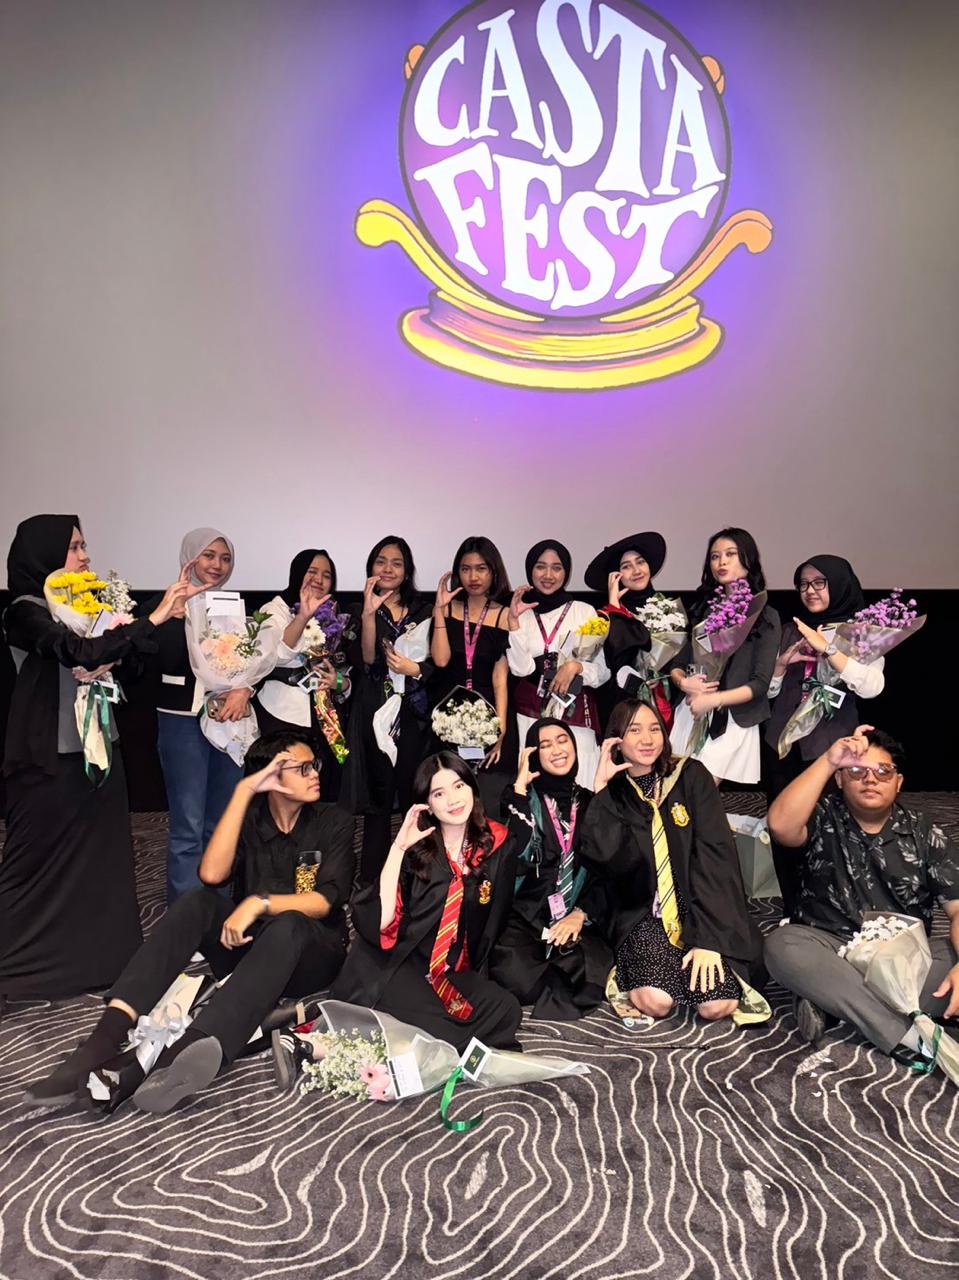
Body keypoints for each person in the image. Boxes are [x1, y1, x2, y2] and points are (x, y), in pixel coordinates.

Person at [22, 730, 355, 1111]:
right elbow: (211, 874)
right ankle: (102, 1040)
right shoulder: (249, 820)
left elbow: (325, 901)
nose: (315, 774)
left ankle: (181, 1053)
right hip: (250, 952)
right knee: (197, 903)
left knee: (289, 923)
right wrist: (243, 792)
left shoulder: (334, 821)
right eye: (303, 768)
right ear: (271, 777)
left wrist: (260, 903)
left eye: (315, 765)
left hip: (311, 955)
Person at [1, 515, 195, 999]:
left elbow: (122, 661)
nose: (85, 556)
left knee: (101, 861)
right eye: (75, 547)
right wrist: (147, 620)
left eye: (84, 545)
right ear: (45, 553)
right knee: (30, 866)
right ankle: (15, 968)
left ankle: (97, 963)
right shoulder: (25, 611)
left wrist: (117, 650)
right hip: (47, 761)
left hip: (98, 753)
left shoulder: (83, 605)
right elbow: (74, 651)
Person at [764, 725, 959, 1070]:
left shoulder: (925, 831)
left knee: (951, 956)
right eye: (856, 771)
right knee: (782, 945)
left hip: (902, 961)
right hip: (830, 948)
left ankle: (831, 1002)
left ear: (898, 782)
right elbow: (780, 826)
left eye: (883, 771)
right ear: (840, 779)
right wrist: (829, 760)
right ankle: (901, 1032)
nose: (870, 779)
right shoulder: (823, 814)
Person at [580, 699, 766, 1023]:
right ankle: (645, 968)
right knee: (656, 1002)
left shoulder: (691, 776)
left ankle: (695, 957)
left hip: (699, 906)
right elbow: (607, 862)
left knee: (717, 1005)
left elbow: (715, 856)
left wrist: (709, 940)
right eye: (634, 730)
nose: (647, 739)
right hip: (643, 913)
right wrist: (601, 792)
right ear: (617, 741)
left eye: (655, 729)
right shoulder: (615, 793)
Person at [332, 751, 522, 1052]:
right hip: (403, 963)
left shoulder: (497, 844)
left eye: (459, 786)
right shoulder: (416, 850)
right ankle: (401, 1037)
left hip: (452, 971)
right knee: (445, 1034)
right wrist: (397, 848)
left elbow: (496, 919)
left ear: (472, 788)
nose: (453, 800)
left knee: (506, 1008)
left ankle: (403, 1036)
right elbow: (381, 921)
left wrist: (480, 975)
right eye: (439, 793)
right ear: (427, 805)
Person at [763, 555, 885, 913]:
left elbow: (871, 687)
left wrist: (829, 649)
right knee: (784, 828)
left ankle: (834, 911)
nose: (810, 590)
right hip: (783, 746)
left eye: (819, 582)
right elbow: (768, 693)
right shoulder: (791, 629)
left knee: (832, 833)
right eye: (803, 584)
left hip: (832, 749)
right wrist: (779, 668)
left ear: (840, 584)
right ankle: (793, 909)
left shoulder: (861, 634)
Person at [148, 527, 251, 903]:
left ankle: (217, 910)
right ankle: (184, 919)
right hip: (182, 720)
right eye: (208, 556)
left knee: (222, 823)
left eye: (225, 558)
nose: (217, 565)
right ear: (190, 557)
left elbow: (248, 663)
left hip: (228, 722)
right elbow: (157, 659)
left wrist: (244, 687)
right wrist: (176, 616)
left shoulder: (233, 608)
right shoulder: (166, 604)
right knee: (188, 826)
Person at [490, 719, 609, 1020]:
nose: (557, 750)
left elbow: (607, 868)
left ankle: (556, 963)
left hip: (574, 914)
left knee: (593, 968)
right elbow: (513, 856)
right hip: (527, 915)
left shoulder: (590, 802)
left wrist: (580, 914)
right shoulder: (521, 799)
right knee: (511, 974)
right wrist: (519, 788)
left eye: (562, 740)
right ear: (533, 755)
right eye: (545, 745)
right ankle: (548, 967)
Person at [342, 536, 434, 882]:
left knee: (415, 797)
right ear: (371, 567)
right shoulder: (358, 609)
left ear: (407, 571)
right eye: (381, 561)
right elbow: (367, 659)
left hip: (413, 712)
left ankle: (418, 882)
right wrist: (369, 614)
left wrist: (415, 669)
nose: (388, 569)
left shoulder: (425, 610)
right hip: (374, 710)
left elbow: (438, 662)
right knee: (378, 801)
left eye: (397, 563)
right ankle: (371, 884)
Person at [669, 528, 781, 785]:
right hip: (692, 711)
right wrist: (684, 682)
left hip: (733, 718)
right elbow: (677, 665)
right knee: (675, 792)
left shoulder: (764, 615)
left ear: (748, 559)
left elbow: (760, 683)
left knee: (700, 793)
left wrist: (714, 699)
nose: (721, 562)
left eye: (730, 554)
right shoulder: (703, 609)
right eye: (715, 556)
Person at [507, 540, 609, 787]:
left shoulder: (584, 611)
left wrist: (575, 667)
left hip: (574, 713)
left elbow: (603, 673)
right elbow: (520, 669)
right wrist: (513, 623)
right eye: (541, 567)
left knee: (582, 784)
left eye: (557, 568)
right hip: (531, 714)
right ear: (530, 570)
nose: (548, 575)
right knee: (535, 786)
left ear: (566, 572)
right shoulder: (522, 612)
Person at [256, 548, 353, 801]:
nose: (319, 580)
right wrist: (302, 616)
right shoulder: (275, 608)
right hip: (282, 714)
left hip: (323, 713)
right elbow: (279, 654)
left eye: (326, 575)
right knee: (285, 792)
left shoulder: (334, 615)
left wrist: (339, 681)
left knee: (320, 789)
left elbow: (345, 668)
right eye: (312, 572)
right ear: (297, 573)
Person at [430, 536, 514, 815]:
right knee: (447, 796)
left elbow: (500, 678)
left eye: (481, 569)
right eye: (466, 569)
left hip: (488, 712)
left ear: (494, 571)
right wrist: (438, 611)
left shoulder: (505, 615)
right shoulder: (446, 608)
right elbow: (441, 660)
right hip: (447, 712)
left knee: (486, 799)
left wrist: (500, 729)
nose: (473, 577)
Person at [583, 531, 671, 724]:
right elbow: (617, 656)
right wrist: (614, 607)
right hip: (620, 709)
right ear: (615, 576)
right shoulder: (601, 618)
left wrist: (661, 677)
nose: (636, 570)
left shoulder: (668, 610)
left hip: (664, 704)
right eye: (626, 567)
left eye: (640, 562)